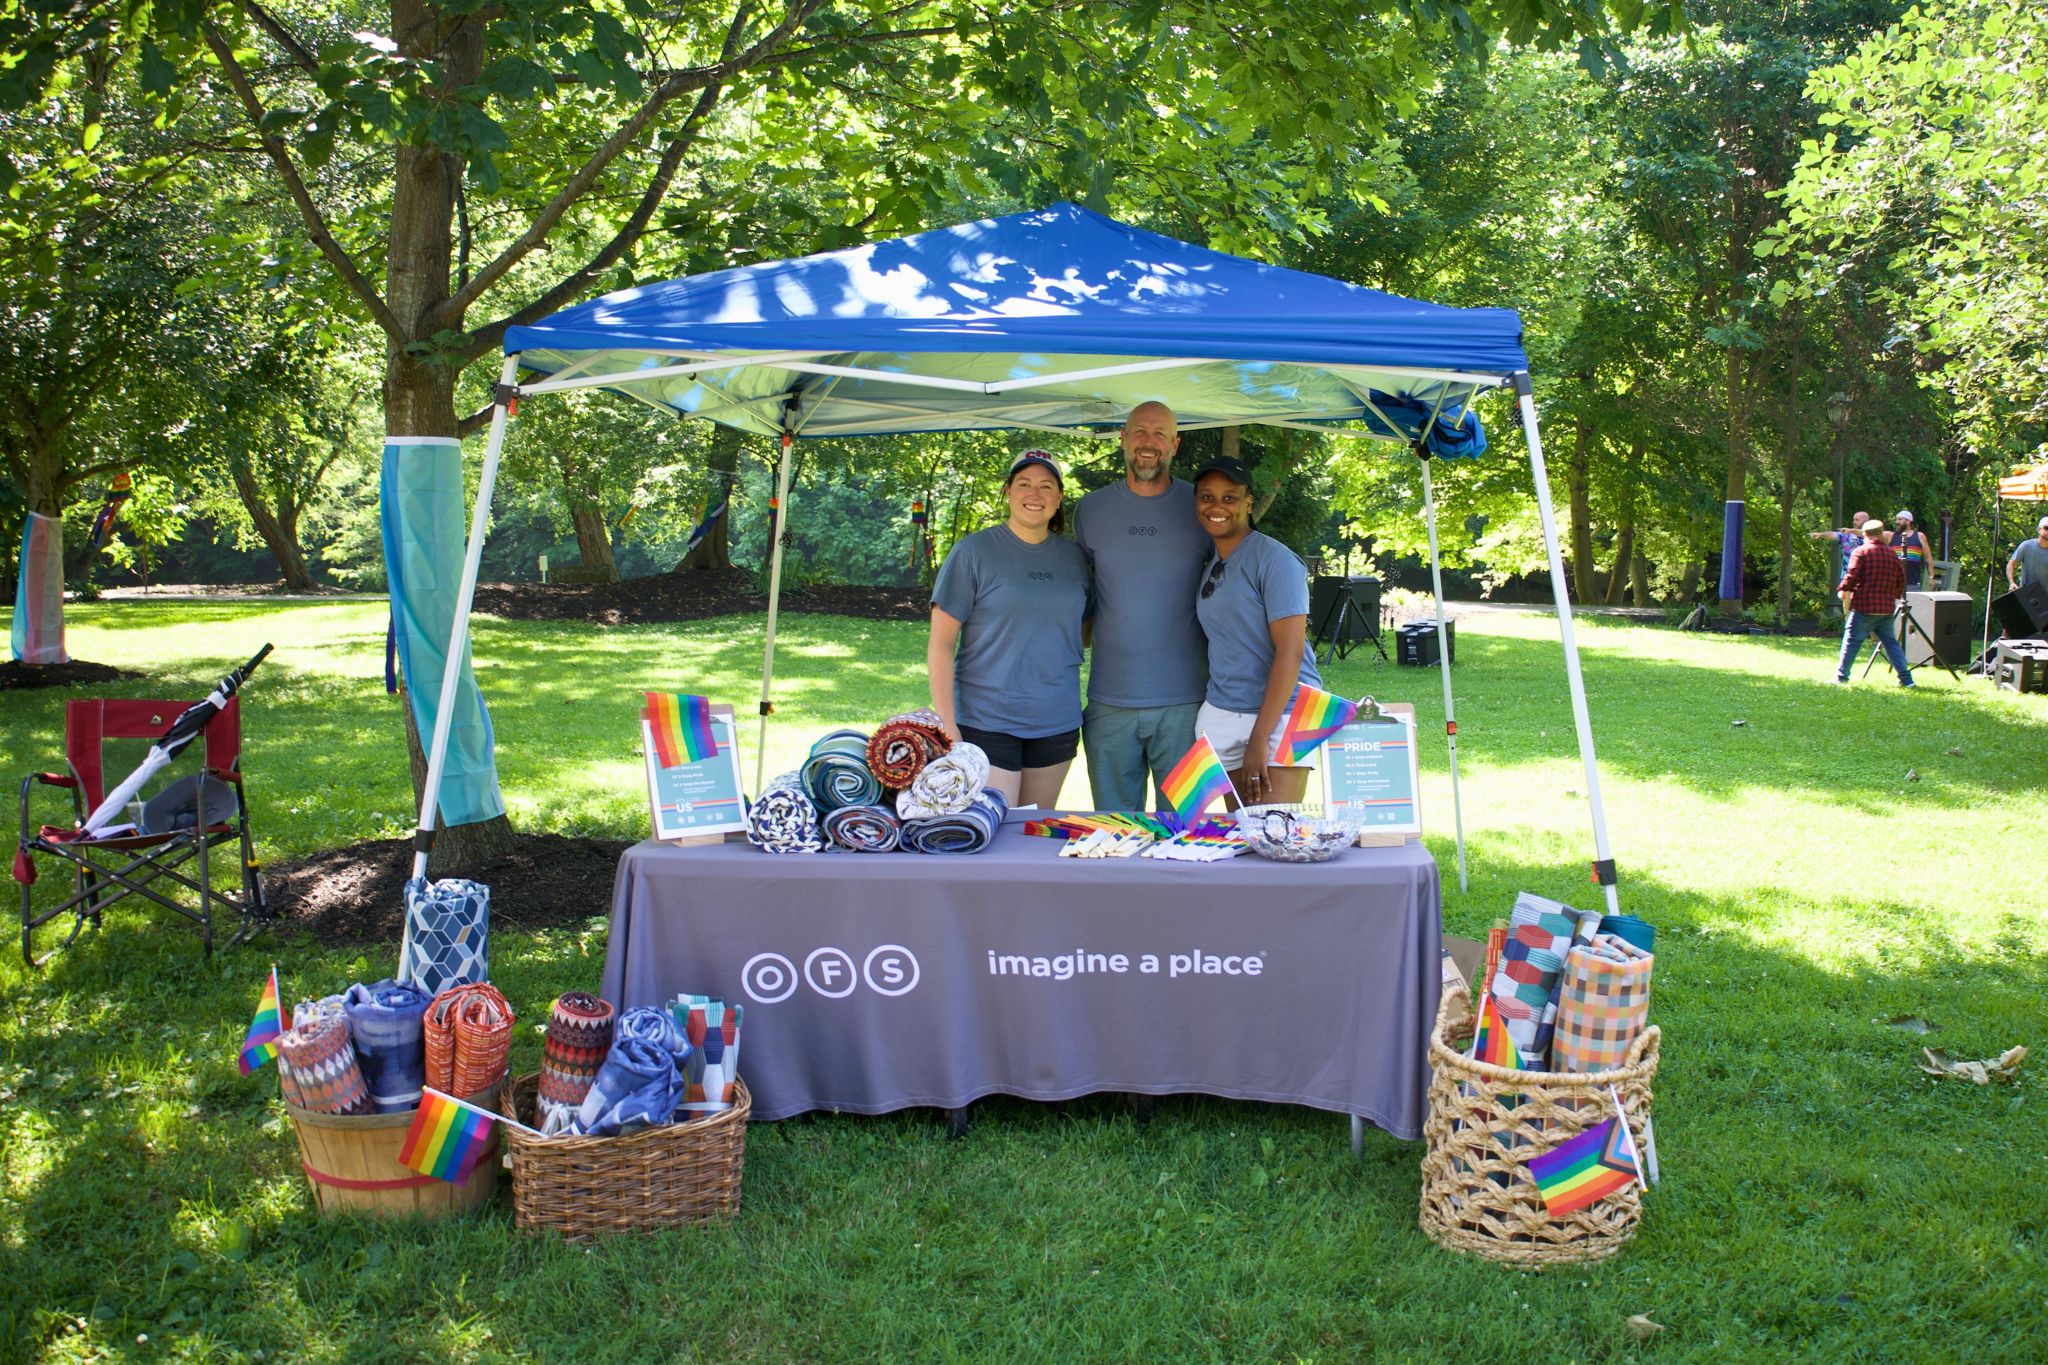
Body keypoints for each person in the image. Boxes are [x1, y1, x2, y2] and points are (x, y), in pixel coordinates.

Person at [927, 451, 1089, 808]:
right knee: (995, 832)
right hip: (987, 719)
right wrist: (946, 724)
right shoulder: (973, 552)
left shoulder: (1076, 559)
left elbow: (1084, 629)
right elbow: (940, 644)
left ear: (1059, 497)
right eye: (1025, 484)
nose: (1035, 494)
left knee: (1034, 832)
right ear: (1007, 491)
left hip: (1056, 721)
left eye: (1046, 486)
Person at [1072, 401, 1210, 810]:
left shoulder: (1201, 506)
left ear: (1175, 444)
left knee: (1183, 837)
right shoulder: (1091, 510)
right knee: (1116, 837)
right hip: (1109, 703)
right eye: (1139, 432)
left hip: (1187, 704)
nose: (1148, 443)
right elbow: (1079, 594)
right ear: (1123, 439)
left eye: (1160, 434)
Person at [1189, 454, 1323, 804]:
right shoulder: (1215, 561)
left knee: (1273, 837)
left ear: (1249, 502)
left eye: (1229, 497)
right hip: (1225, 709)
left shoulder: (1275, 560)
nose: (1217, 506)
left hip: (1281, 716)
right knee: (1240, 837)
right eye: (1207, 497)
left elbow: (1290, 652)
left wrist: (1259, 739)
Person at [1835, 518, 1914, 688]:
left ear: (1864, 534)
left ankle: (1841, 677)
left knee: (1851, 641)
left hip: (1864, 606)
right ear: (1881, 533)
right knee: (1891, 644)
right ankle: (1907, 680)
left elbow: (1852, 574)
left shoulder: (1861, 551)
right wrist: (1893, 595)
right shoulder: (1892, 554)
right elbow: (1902, 578)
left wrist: (1843, 589)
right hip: (1885, 608)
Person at [1809, 511, 1871, 612]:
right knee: (1848, 610)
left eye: (1857, 520)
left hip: (1866, 579)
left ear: (1866, 521)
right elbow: (1833, 534)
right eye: (1853, 520)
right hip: (1849, 577)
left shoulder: (1872, 537)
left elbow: (1865, 533)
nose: (1854, 522)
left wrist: (1852, 531)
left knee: (1864, 610)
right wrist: (1821, 535)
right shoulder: (1846, 535)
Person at [2007, 516, 2048, 590]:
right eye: (2046, 528)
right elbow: (2011, 564)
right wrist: (2012, 583)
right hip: (2026, 595)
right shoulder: (2026, 546)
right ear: (2038, 529)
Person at [1892, 510, 1929, 591]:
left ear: (1908, 521)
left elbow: (1928, 558)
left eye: (1900, 519)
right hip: (1894, 582)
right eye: (1896, 519)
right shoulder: (1891, 536)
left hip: (1913, 583)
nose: (1897, 522)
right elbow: (1870, 533)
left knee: (1914, 603)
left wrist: (1931, 577)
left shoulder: (1919, 536)